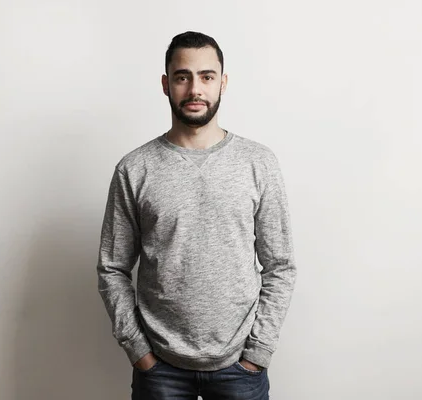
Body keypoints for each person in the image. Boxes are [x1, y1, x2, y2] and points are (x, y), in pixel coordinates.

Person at [97, 31, 296, 400]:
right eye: (182, 76)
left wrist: (258, 352)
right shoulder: (135, 168)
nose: (195, 90)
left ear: (223, 82)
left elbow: (280, 265)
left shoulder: (259, 163)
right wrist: (139, 352)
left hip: (241, 366)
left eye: (206, 77)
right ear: (165, 84)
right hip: (160, 369)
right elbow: (112, 267)